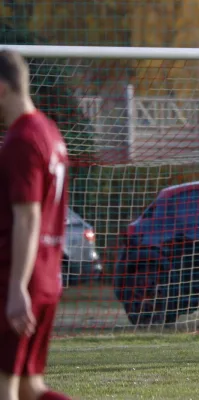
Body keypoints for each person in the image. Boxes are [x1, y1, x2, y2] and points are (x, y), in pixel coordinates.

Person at [0, 50, 71, 400]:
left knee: (6, 389)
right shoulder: (49, 131)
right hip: (46, 279)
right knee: (31, 388)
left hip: (19, 279)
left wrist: (16, 288)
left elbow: (27, 216)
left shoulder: (21, 140)